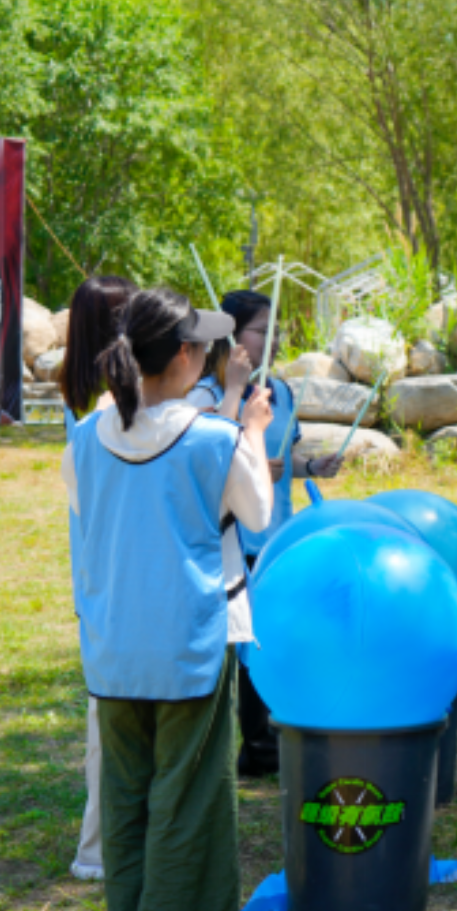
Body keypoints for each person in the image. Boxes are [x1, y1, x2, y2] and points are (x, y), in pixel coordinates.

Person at [62, 289, 275, 911]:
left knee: (125, 800)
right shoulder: (214, 439)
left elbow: (88, 513)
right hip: (189, 645)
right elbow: (257, 514)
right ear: (184, 355)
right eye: (204, 345)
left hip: (113, 649)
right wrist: (253, 430)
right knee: (188, 805)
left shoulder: (86, 438)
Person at [189, 290, 341, 777]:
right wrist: (252, 456)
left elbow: (281, 455)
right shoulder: (207, 395)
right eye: (261, 330)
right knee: (237, 648)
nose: (272, 340)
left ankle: (268, 740)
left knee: (273, 638)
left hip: (279, 536)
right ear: (232, 333)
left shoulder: (282, 391)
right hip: (233, 540)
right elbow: (208, 457)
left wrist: (310, 465)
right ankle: (245, 746)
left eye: (275, 329)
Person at [56, 274, 138, 883]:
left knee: (107, 721)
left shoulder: (78, 391)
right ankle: (97, 851)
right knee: (108, 728)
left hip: (94, 572)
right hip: (115, 573)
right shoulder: (110, 404)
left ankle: (104, 846)